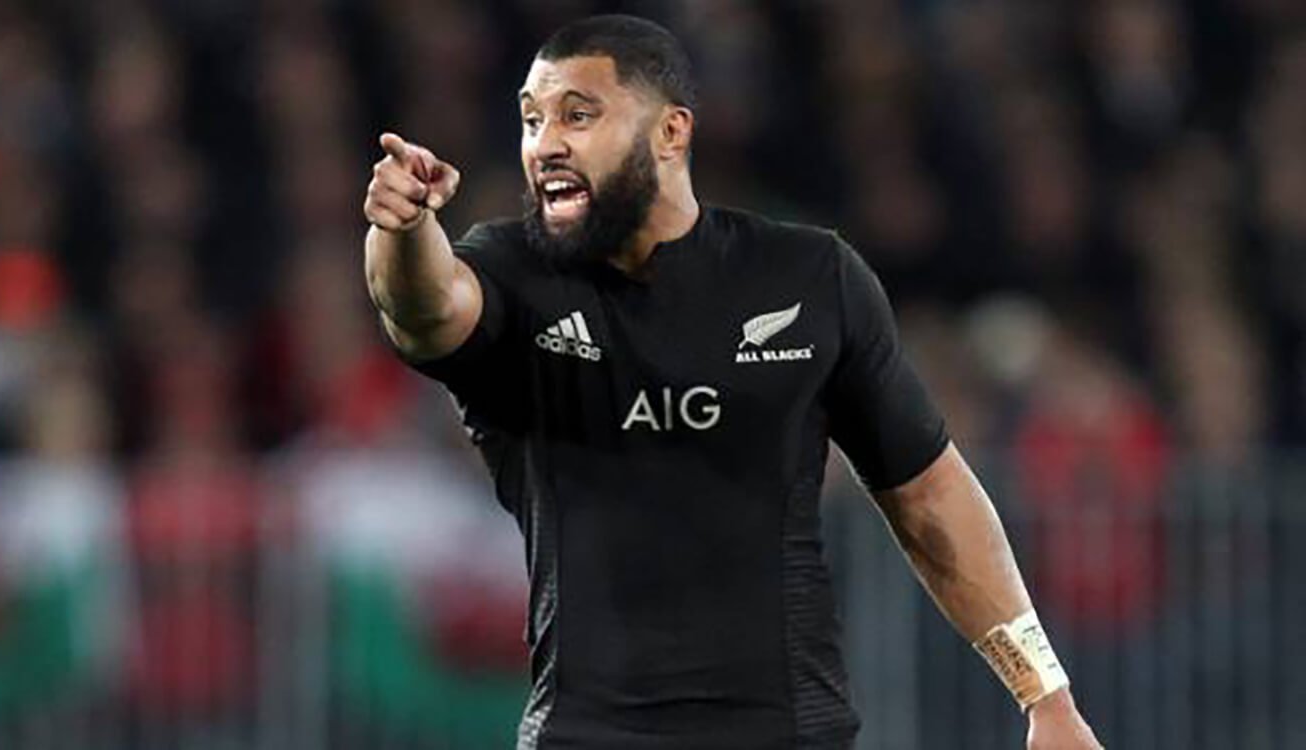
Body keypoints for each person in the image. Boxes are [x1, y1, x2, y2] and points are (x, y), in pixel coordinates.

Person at [361, 14, 1102, 750]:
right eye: (531, 120)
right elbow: (423, 306)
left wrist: (1045, 695)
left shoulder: (809, 278)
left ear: (670, 132)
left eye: (577, 115)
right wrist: (402, 229)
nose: (545, 143)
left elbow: (929, 495)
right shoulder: (514, 277)